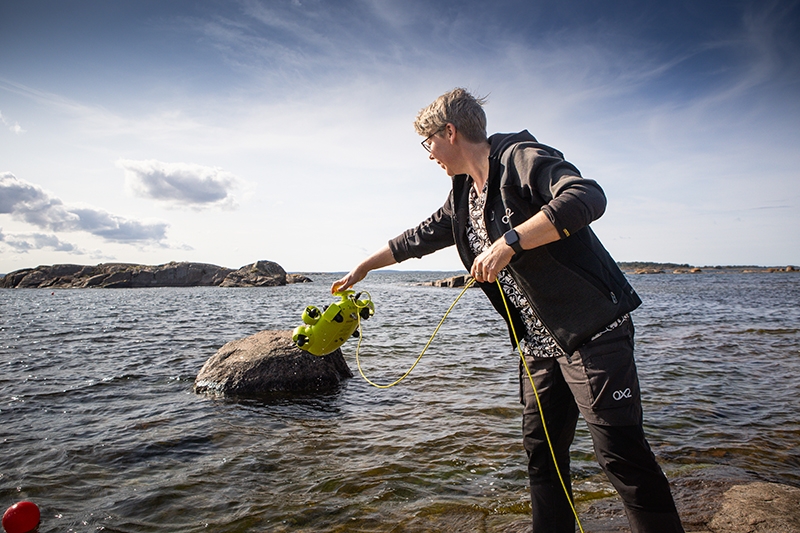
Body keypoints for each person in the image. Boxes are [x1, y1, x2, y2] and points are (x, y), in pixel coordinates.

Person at [331, 88, 684, 533]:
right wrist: (363, 265)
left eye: (428, 143)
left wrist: (511, 241)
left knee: (622, 456)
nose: (429, 154)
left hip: (593, 333)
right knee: (543, 456)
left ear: (450, 132)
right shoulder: (463, 193)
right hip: (537, 346)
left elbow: (586, 196)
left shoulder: (520, 157)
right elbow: (416, 239)